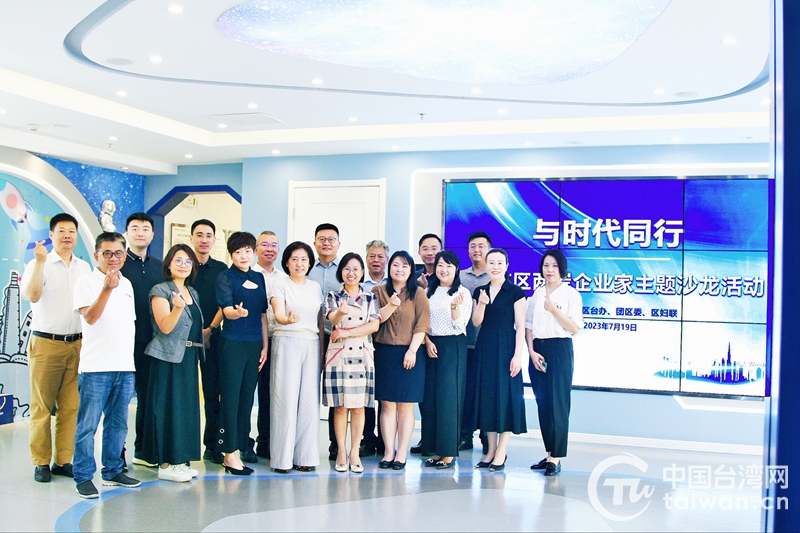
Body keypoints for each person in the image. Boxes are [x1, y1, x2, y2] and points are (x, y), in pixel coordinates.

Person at [21, 213, 92, 483]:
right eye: (61, 231)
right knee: (42, 407)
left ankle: (63, 460)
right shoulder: (38, 263)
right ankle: (41, 462)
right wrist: (40, 261)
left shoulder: (84, 267)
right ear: (51, 235)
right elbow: (33, 295)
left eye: (71, 231)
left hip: (77, 344)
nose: (67, 235)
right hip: (46, 343)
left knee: (70, 407)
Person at [72, 232, 141, 498]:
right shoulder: (85, 282)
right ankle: (83, 475)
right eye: (107, 253)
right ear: (96, 255)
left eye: (119, 253)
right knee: (88, 425)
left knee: (118, 424)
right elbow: (90, 318)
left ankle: (112, 470)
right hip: (95, 367)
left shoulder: (127, 284)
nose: (113, 258)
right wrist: (106, 289)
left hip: (124, 366)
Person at [141, 244, 204, 483]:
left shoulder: (192, 291)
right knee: (169, 409)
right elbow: (165, 327)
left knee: (185, 409)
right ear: (168, 264)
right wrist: (177, 308)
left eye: (188, 261)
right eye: (178, 260)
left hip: (188, 357)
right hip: (167, 357)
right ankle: (166, 463)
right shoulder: (160, 290)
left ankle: (181, 460)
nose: (183, 265)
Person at [525, 249, 583, 477]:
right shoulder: (537, 294)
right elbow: (528, 325)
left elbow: (574, 328)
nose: (549, 270)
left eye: (554, 266)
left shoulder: (571, 294)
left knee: (558, 403)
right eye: (546, 265)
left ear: (562, 269)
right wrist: (531, 351)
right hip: (538, 350)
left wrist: (554, 311)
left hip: (559, 349)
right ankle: (549, 452)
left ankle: (556, 458)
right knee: (543, 403)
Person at [215, 232, 269, 475]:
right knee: (231, 399)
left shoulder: (258, 277)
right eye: (238, 252)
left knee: (247, 400)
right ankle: (229, 453)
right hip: (233, 344)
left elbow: (263, 316)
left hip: (254, 345)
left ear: (254, 252)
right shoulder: (226, 277)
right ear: (231, 255)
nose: (243, 256)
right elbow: (226, 310)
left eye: (247, 250)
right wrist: (237, 313)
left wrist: (265, 347)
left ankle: (240, 448)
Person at [469, 248, 527, 473]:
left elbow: (520, 326)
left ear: (507, 266)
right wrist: (482, 303)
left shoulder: (516, 292)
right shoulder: (480, 291)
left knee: (506, 397)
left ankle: (502, 450)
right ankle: (491, 450)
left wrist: (517, 356)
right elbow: (476, 322)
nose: (495, 266)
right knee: (488, 398)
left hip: (507, 347)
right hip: (485, 347)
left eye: (499, 262)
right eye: (491, 262)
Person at [371, 251, 430, 470]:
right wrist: (391, 305)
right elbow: (375, 321)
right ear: (389, 267)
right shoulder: (378, 291)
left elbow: (422, 325)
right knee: (387, 405)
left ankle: (402, 452)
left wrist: (412, 351)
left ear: (411, 270)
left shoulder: (419, 293)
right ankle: (389, 452)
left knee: (405, 406)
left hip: (411, 353)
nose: (400, 270)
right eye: (396, 265)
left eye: (405, 266)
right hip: (384, 353)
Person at [270, 241, 324, 473]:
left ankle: (305, 457)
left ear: (310, 263)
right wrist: (287, 320)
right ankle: (282, 460)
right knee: (285, 399)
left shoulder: (315, 287)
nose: (299, 264)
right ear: (287, 263)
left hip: (311, 343)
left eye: (304, 259)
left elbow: (319, 320)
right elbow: (278, 314)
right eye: (294, 259)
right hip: (286, 340)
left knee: (309, 402)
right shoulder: (280, 285)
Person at [324, 252, 380, 473]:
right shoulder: (333, 295)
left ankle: (355, 452)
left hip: (362, 354)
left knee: (358, 407)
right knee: (340, 406)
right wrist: (340, 313)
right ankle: (341, 451)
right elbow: (332, 319)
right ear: (341, 272)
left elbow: (374, 326)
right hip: (339, 355)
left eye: (356, 269)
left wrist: (346, 332)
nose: (351, 273)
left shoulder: (370, 298)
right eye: (347, 268)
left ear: (362, 272)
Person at [420, 251, 472, 469]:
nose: (444, 270)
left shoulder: (462, 293)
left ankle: (448, 452)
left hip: (453, 345)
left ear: (456, 269)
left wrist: (454, 308)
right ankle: (434, 450)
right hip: (430, 345)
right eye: (441, 265)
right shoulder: (427, 292)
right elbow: (420, 321)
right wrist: (426, 340)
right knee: (430, 399)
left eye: (449, 266)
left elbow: (460, 326)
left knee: (449, 399)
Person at [119, 212, 163, 469]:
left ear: (152, 234)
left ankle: (144, 450)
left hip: (151, 342)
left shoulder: (160, 266)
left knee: (147, 398)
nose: (140, 233)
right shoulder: (119, 263)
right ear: (127, 233)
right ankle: (117, 453)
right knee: (120, 399)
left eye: (145, 229)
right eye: (135, 228)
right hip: (122, 342)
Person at [189, 219, 227, 464]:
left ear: (214, 239)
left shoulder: (221, 269)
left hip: (213, 337)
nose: (204, 239)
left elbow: (225, 302)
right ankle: (181, 446)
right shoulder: (183, 264)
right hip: (183, 339)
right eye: (199, 234)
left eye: (208, 235)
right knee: (183, 393)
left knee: (213, 393)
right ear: (191, 238)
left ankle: (211, 445)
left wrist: (210, 329)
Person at [306, 223, 342, 460]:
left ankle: (335, 444)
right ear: (315, 243)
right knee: (308, 388)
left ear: (339, 243)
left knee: (336, 392)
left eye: (331, 239)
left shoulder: (346, 269)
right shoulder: (306, 268)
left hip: (338, 336)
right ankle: (306, 442)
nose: (326, 243)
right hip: (311, 336)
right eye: (322, 239)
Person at [251, 231, 287, 459]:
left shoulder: (284, 278)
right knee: (251, 393)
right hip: (253, 340)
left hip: (279, 340)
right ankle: (246, 442)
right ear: (256, 249)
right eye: (264, 244)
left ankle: (268, 441)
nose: (269, 249)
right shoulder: (249, 274)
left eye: (274, 245)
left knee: (272, 393)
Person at [459, 231, 492, 453]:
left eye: (481, 246)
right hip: (464, 343)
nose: (476, 250)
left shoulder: (496, 276)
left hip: (487, 344)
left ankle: (487, 436)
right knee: (466, 392)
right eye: (472, 246)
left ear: (489, 249)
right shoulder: (460, 276)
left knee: (486, 392)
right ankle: (465, 435)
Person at [410, 233, 441, 455]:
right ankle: (427, 438)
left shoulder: (446, 275)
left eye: (434, 248)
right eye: (425, 248)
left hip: (444, 342)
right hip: (420, 342)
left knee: (443, 393)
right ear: (419, 252)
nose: (429, 252)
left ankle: (446, 438)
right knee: (425, 394)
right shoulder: (413, 278)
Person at [359, 239, 389, 456]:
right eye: (372, 256)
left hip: (387, 345)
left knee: (386, 394)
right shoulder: (359, 283)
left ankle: (385, 439)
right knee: (366, 393)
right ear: (366, 258)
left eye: (380, 256)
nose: (376, 260)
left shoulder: (395, 281)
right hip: (364, 344)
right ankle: (367, 438)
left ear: (387, 259)